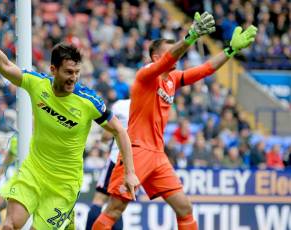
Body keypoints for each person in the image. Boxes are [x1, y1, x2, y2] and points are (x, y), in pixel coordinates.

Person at [92, 12, 257, 230]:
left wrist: (230, 50)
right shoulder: (145, 76)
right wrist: (191, 36)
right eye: (169, 52)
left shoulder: (173, 79)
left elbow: (206, 69)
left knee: (185, 209)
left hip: (158, 155)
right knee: (114, 208)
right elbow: (172, 57)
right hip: (137, 150)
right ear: (155, 58)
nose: (175, 56)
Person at [0, 16, 139, 230]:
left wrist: (129, 172)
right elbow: (4, 66)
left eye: (77, 72)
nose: (73, 78)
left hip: (64, 184)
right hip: (33, 172)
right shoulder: (38, 84)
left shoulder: (88, 101)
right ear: (53, 70)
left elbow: (120, 132)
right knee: (9, 225)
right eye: (68, 72)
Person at [85, 99, 130, 230]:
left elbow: (107, 135)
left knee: (99, 200)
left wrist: (103, 141)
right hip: (137, 161)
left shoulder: (121, 105)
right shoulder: (148, 106)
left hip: (118, 158)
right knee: (117, 206)